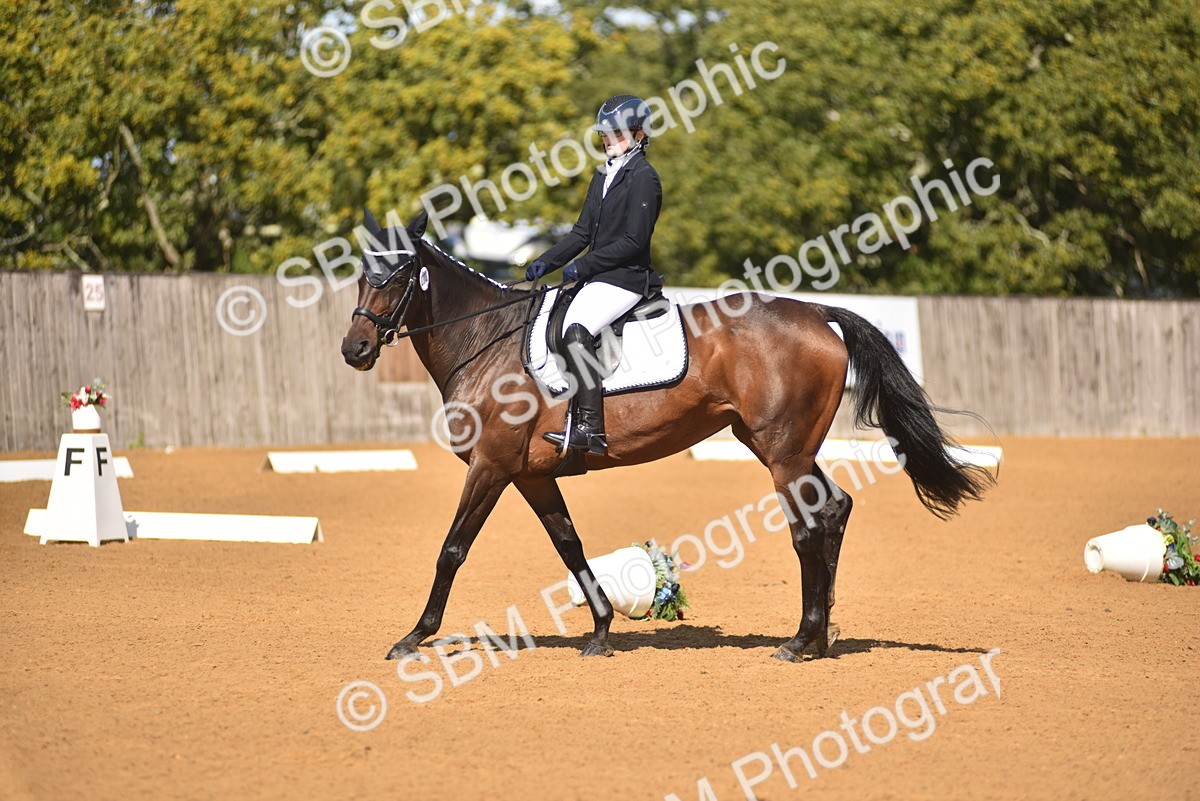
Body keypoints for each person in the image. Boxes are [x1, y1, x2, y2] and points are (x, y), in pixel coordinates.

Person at [525, 94, 665, 457]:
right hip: (600, 276)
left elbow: (635, 241)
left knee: (576, 331)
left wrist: (584, 266)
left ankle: (591, 427)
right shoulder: (603, 173)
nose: (607, 139)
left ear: (638, 134)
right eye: (604, 133)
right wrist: (547, 261)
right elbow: (581, 235)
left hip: (626, 278)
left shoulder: (644, 178)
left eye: (616, 133)